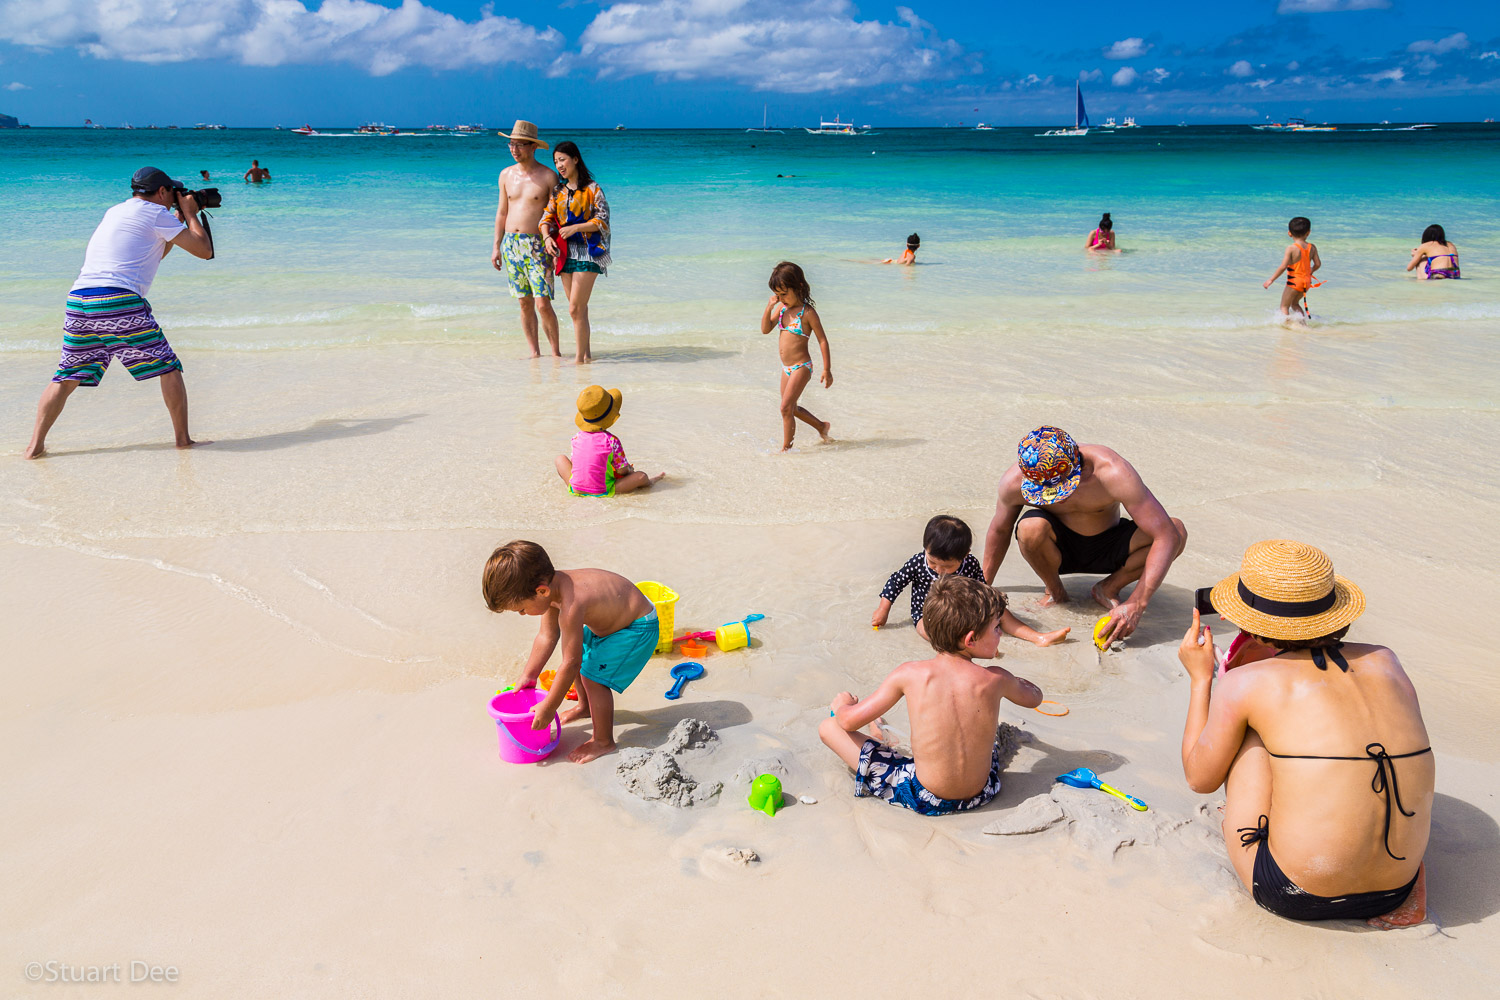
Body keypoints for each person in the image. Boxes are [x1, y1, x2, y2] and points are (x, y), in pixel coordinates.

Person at [1178, 539, 1431, 928]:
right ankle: (1410, 890)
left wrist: (1200, 679)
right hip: (1396, 886)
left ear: (1251, 622)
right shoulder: (1385, 659)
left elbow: (1199, 779)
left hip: (1295, 893)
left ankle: (1260, 823)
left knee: (1252, 734)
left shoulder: (1248, 682)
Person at [24, 167, 215, 459]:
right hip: (116, 299)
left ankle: (34, 446)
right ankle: (183, 441)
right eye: (173, 195)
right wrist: (189, 213)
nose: (174, 200)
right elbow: (203, 250)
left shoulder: (116, 211)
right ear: (163, 192)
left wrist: (175, 221)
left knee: (67, 374)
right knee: (168, 366)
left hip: (80, 299)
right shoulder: (155, 213)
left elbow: (152, 253)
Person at [821, 576, 1044, 816]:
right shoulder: (996, 679)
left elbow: (847, 722)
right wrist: (1010, 678)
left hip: (926, 798)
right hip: (982, 794)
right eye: (997, 628)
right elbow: (1035, 697)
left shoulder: (910, 674)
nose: (1000, 634)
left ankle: (879, 733)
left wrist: (843, 705)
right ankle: (879, 733)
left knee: (828, 727)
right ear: (970, 639)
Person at [982, 426, 1186, 644]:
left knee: (1176, 530)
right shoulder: (1015, 482)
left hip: (1111, 544)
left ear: (1078, 464)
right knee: (1030, 527)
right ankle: (1055, 590)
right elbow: (1000, 530)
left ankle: (1109, 587)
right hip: (1058, 549)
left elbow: (1165, 536)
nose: (1058, 498)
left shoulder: (1113, 472)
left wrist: (1137, 603)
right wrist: (981, 586)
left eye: (1062, 488)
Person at [483, 540, 660, 764]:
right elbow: (547, 637)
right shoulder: (552, 592)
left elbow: (571, 663)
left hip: (636, 628)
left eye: (521, 609)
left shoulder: (571, 603)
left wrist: (549, 707)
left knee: (590, 675)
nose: (522, 614)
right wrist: (529, 675)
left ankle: (603, 741)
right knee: (576, 652)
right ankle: (585, 707)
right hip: (611, 625)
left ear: (541, 590)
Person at [873, 514, 1070, 646]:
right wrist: (883, 609)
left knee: (1000, 611)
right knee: (926, 629)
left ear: (965, 555)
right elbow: (895, 582)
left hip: (965, 610)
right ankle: (959, 647)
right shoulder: (918, 562)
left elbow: (983, 589)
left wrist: (995, 607)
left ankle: (1038, 637)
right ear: (925, 548)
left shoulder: (970, 563)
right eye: (933, 563)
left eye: (948, 566)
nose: (940, 570)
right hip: (929, 614)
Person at [491, 120, 561, 359]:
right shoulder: (505, 175)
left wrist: (555, 247)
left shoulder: (549, 177)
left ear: (533, 147)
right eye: (511, 144)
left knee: (543, 303)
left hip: (539, 246)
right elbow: (502, 213)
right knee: (524, 303)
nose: (514, 149)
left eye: (520, 145)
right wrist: (496, 247)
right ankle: (534, 353)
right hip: (511, 245)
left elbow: (557, 217)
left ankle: (555, 354)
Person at [541, 141, 611, 364]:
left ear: (575, 159)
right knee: (578, 310)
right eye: (555, 162)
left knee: (574, 308)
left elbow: (602, 220)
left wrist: (576, 227)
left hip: (590, 252)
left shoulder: (593, 188)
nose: (559, 165)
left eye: (562, 160)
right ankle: (587, 356)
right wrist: (546, 237)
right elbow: (545, 219)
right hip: (564, 254)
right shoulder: (558, 191)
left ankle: (579, 360)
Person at [759, 261, 833, 452]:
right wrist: (769, 307)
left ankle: (787, 449)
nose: (781, 298)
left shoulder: (807, 313)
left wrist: (827, 369)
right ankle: (821, 426)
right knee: (791, 408)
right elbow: (766, 329)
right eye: (778, 295)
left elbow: (822, 340)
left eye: (784, 294)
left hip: (802, 366)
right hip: (787, 368)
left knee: (785, 408)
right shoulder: (782, 309)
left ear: (798, 287)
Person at [555, 385, 663, 496]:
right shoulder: (612, 441)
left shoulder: (576, 437)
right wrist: (630, 470)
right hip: (602, 490)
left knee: (560, 459)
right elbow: (622, 471)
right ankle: (652, 482)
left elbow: (578, 464)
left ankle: (577, 487)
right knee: (641, 476)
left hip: (576, 488)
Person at [1263, 216, 1321, 323]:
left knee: (1284, 306)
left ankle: (1287, 326)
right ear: (1308, 232)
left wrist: (1271, 280)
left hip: (1294, 282)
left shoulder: (1291, 248)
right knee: (1295, 304)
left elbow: (1283, 266)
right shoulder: (1312, 247)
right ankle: (1303, 324)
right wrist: (1311, 271)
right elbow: (1317, 264)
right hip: (1306, 281)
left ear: (1289, 233)